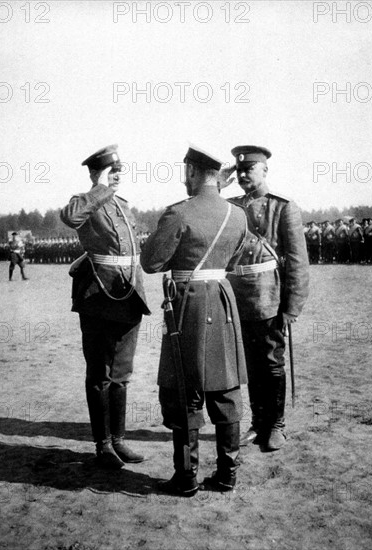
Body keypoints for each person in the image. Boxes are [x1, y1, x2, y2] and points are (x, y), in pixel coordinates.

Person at [140, 145, 248, 496]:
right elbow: (231, 261)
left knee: (184, 389)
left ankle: (186, 477)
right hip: (222, 300)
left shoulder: (179, 213)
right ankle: (228, 474)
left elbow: (151, 263)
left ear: (191, 171)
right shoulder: (238, 215)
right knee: (227, 385)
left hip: (187, 307)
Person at [60, 144, 150, 469]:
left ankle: (120, 440)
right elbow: (70, 218)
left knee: (122, 372)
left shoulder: (123, 206)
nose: (117, 176)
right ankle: (103, 444)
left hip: (128, 296)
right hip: (98, 297)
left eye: (119, 171)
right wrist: (100, 188)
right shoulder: (85, 203)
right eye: (111, 171)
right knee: (100, 372)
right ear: (96, 174)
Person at [223, 145, 309, 452]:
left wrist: (292, 307)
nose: (244, 174)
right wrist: (220, 183)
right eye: (240, 170)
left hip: (270, 298)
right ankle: (258, 424)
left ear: (265, 170)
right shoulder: (229, 207)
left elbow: (298, 262)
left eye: (250, 169)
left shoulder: (283, 208)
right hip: (237, 299)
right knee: (249, 365)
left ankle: (276, 425)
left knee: (271, 363)